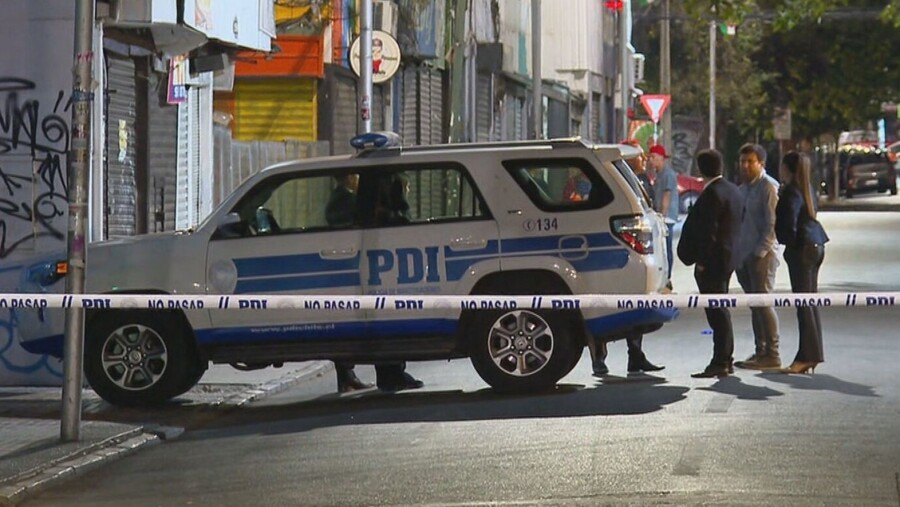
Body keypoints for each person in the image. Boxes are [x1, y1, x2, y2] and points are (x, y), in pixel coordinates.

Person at [325, 173, 423, 392]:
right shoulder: (351, 197)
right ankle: (387, 374)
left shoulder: (355, 196)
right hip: (368, 262)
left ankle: (356, 376)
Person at [591, 142, 663, 376]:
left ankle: (636, 356)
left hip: (630, 256)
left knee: (635, 308)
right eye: (640, 156)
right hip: (607, 255)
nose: (643, 160)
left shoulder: (635, 184)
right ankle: (599, 359)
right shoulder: (608, 183)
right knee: (601, 308)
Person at [677, 149, 744, 378]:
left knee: (717, 312)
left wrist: (702, 262)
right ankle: (725, 358)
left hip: (714, 262)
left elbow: (709, 234)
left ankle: (721, 359)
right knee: (720, 309)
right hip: (728, 259)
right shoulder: (733, 191)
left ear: (700, 169)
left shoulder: (712, 194)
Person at [774, 151, 829, 374]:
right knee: (809, 302)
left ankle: (806, 356)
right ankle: (811, 354)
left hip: (803, 249)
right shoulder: (805, 187)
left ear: (787, 168)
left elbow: (789, 223)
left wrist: (786, 242)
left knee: (804, 304)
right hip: (816, 244)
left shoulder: (791, 192)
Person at [733, 143, 782, 370]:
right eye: (742, 161)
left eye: (749, 161)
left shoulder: (768, 187)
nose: (745, 166)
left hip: (762, 255)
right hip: (744, 256)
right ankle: (760, 350)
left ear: (760, 163)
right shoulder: (743, 189)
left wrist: (760, 251)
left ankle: (772, 352)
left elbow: (772, 224)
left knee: (764, 302)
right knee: (754, 304)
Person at [648, 144, 679, 289]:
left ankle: (668, 277)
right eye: (650, 157)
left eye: (653, 157)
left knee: (666, 248)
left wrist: (661, 214)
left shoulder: (668, 174)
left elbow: (666, 195)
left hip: (666, 218)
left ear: (662, 158)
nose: (651, 160)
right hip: (662, 217)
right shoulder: (659, 174)